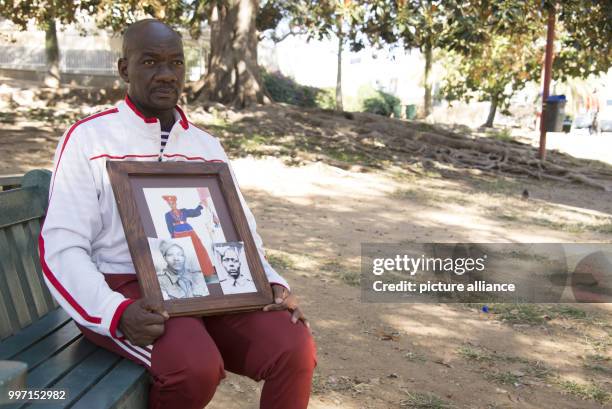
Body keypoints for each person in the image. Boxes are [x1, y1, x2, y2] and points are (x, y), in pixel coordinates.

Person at [39, 18, 315, 409]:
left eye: (176, 63)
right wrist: (115, 312)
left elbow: (241, 232)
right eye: (151, 63)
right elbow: (61, 245)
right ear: (124, 69)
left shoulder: (206, 146)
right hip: (126, 291)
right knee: (195, 367)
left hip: (208, 286)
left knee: (293, 346)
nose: (167, 75)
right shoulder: (89, 138)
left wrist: (269, 282)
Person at [162, 194, 216, 278]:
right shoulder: (167, 215)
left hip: (190, 232)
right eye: (170, 204)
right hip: (178, 234)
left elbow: (194, 213)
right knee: (184, 253)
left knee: (199, 249)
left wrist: (200, 205)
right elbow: (169, 227)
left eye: (173, 203)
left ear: (176, 203)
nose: (172, 205)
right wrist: (173, 238)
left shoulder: (184, 211)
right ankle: (188, 276)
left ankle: (207, 271)